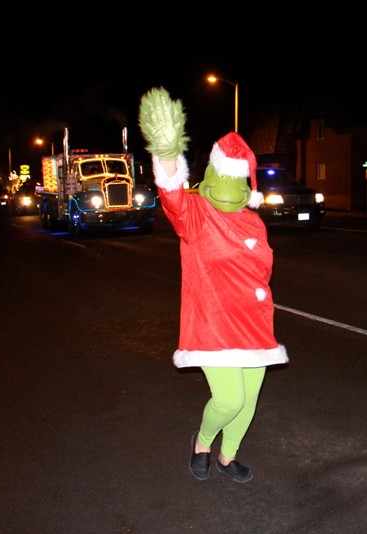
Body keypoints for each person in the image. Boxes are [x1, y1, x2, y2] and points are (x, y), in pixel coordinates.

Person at [138, 87, 289, 483]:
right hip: (212, 322)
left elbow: (261, 272)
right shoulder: (196, 212)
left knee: (249, 401)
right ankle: (202, 442)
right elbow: (171, 195)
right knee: (229, 399)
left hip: (254, 323)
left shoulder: (254, 221)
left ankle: (227, 456)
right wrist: (167, 153)